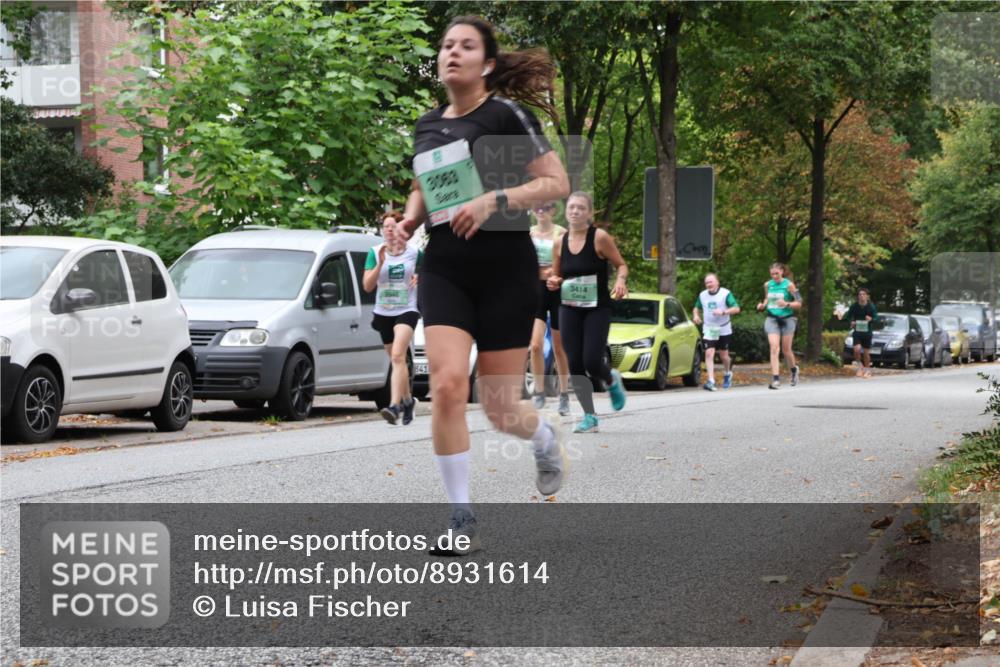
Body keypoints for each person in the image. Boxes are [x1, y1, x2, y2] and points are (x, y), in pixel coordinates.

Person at [392, 16, 571, 555]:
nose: (452, 53)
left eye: (466, 46)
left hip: (505, 268)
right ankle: (461, 516)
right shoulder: (427, 124)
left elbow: (557, 183)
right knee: (447, 385)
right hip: (446, 264)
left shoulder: (504, 115)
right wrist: (405, 221)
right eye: (446, 45)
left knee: (499, 408)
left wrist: (492, 201)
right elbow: (426, 184)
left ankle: (543, 440)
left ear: (487, 64)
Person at [547, 191, 629, 433]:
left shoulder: (599, 238)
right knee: (574, 363)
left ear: (589, 213)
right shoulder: (559, 242)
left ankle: (611, 380)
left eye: (580, 208)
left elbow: (621, 265)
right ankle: (589, 416)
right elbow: (556, 274)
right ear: (566, 211)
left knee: (592, 360)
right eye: (571, 207)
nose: (575, 211)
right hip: (569, 306)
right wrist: (553, 281)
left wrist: (620, 281)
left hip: (597, 308)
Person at [363, 212, 421, 425]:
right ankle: (408, 400)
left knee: (398, 356)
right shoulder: (374, 252)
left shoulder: (415, 252)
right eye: (385, 226)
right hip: (383, 312)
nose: (389, 230)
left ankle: (394, 406)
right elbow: (367, 286)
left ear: (400, 230)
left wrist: (421, 276)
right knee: (397, 360)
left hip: (407, 309)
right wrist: (379, 264)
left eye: (393, 226)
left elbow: (430, 272)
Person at [529, 201, 572, 415]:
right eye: (537, 207)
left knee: (559, 347)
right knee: (535, 346)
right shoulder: (529, 234)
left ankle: (564, 393)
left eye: (545, 208)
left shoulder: (561, 233)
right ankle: (538, 392)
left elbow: (570, 262)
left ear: (553, 211)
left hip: (556, 290)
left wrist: (556, 275)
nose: (540, 211)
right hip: (536, 291)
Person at [756, 263, 802, 389]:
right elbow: (767, 298)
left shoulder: (789, 285)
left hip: (788, 319)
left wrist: (786, 304)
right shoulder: (767, 285)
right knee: (774, 348)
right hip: (772, 319)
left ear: (782, 271)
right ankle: (776, 379)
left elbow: (799, 302)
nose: (774, 276)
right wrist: (763, 305)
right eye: (772, 274)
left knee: (786, 350)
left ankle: (793, 370)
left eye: (777, 273)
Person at [692, 273, 741, 391]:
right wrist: (696, 316)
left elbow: (737, 308)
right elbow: (696, 307)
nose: (708, 284)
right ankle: (711, 381)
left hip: (724, 327)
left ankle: (728, 372)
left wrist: (723, 312)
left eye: (711, 282)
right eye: (707, 282)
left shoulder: (725, 293)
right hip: (710, 328)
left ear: (717, 282)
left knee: (724, 355)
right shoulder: (703, 295)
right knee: (709, 353)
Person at [839, 288, 878, 378]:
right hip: (857, 331)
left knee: (866, 352)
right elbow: (848, 317)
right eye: (860, 294)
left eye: (863, 294)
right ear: (858, 296)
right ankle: (860, 367)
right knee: (856, 349)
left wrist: (871, 319)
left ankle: (867, 370)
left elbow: (876, 318)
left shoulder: (871, 306)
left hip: (867, 332)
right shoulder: (854, 306)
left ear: (867, 296)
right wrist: (851, 322)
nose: (861, 296)